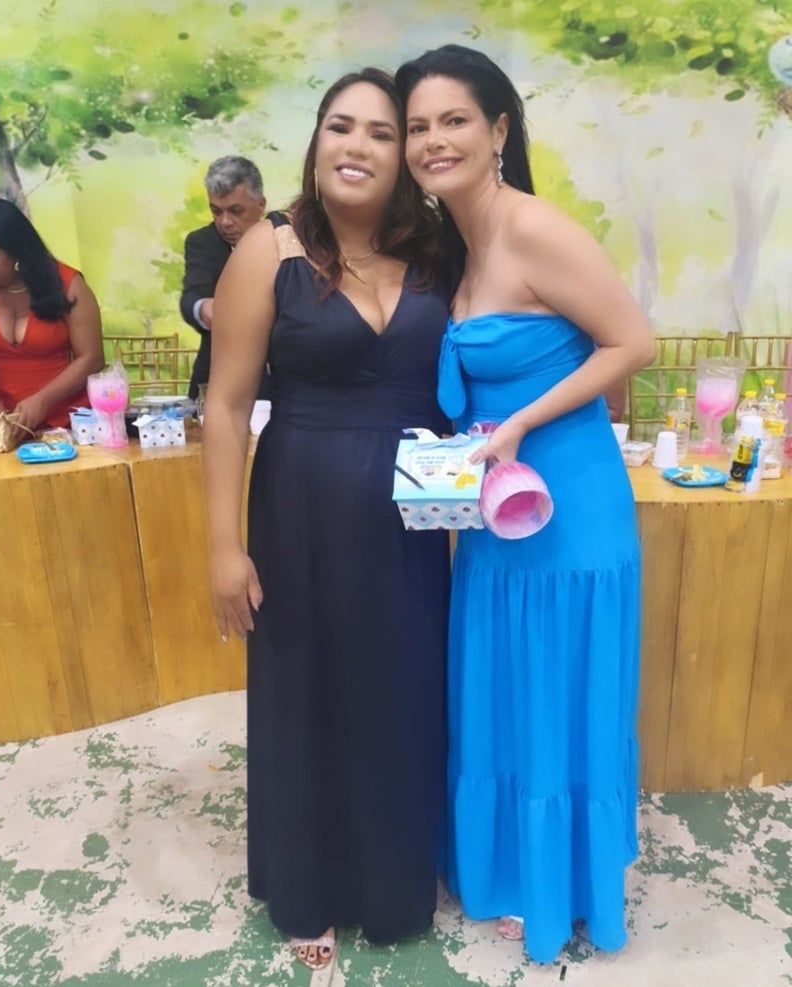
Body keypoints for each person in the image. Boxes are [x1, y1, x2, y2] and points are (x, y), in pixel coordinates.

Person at [396, 45, 656, 964]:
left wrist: (518, 423)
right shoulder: (456, 244)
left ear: (499, 128)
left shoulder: (534, 226)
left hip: (567, 515)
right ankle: (511, 864)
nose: (434, 141)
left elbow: (633, 343)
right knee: (505, 691)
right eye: (418, 126)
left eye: (454, 120)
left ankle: (561, 885)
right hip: (494, 513)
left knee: (552, 691)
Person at [201, 69, 451, 971]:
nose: (358, 146)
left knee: (400, 693)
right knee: (306, 695)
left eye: (382, 132)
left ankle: (392, 881)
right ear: (315, 141)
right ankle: (307, 884)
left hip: (411, 520)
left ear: (404, 155)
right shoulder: (266, 252)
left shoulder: (437, 254)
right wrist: (224, 546)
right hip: (300, 504)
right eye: (341, 126)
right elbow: (227, 405)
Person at [0, 198, 103, 431]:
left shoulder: (67, 284)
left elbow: (91, 358)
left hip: (69, 426)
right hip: (3, 428)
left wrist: (42, 400)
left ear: (17, 252)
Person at [180, 155, 271, 400]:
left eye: (236, 211)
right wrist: (205, 309)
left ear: (261, 204)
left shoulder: (285, 240)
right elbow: (191, 298)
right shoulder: (202, 242)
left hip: (278, 385)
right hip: (216, 382)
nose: (225, 222)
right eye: (216, 211)